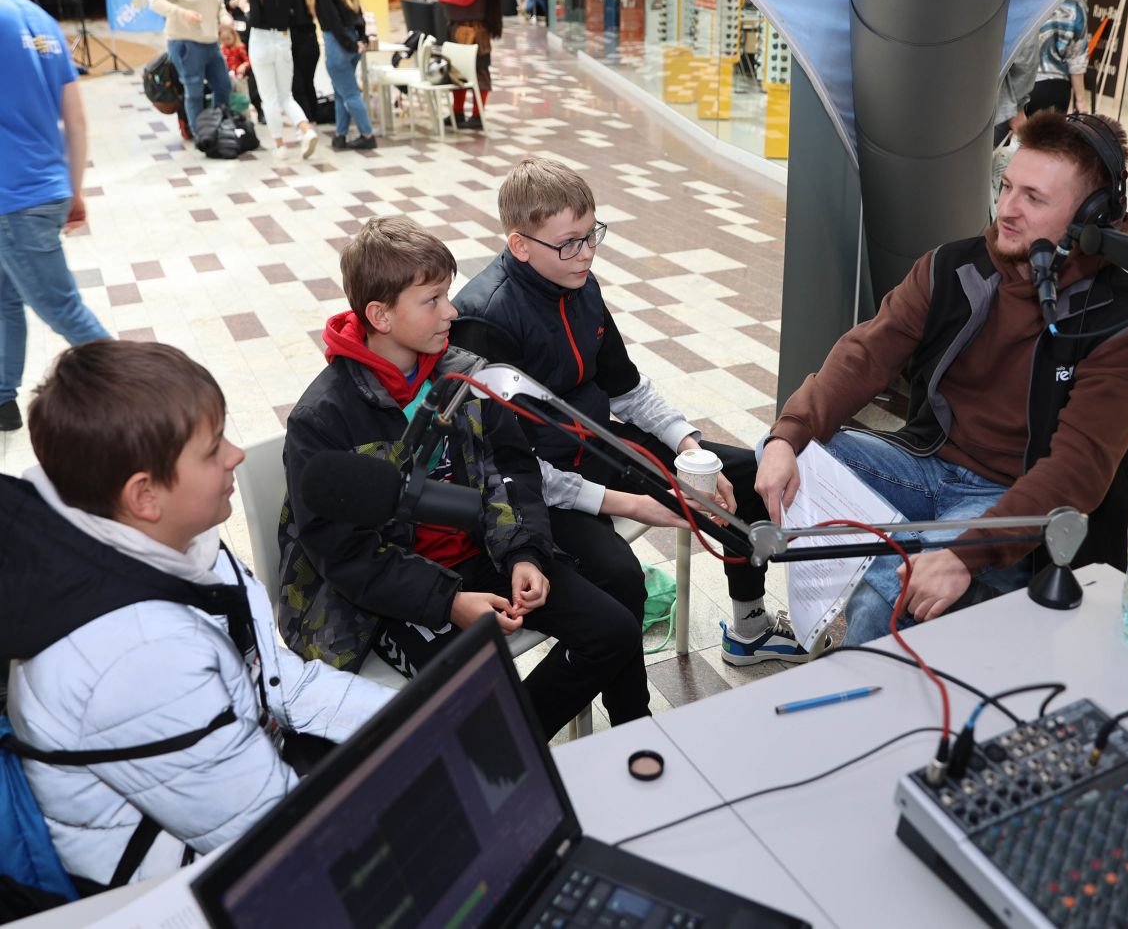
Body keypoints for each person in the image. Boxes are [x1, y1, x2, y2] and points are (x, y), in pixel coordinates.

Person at [754, 112, 1128, 645]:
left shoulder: (1126, 322)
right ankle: (912, 572)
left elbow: (1078, 470)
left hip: (1012, 504)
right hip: (924, 468)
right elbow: (864, 356)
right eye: (1006, 186)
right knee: (784, 456)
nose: (1008, 209)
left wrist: (964, 554)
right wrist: (788, 434)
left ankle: (902, 594)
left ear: (1092, 216)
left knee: (886, 602)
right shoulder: (950, 267)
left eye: (1034, 198)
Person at [2, 340, 396, 888]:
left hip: (244, 778)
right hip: (176, 885)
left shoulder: (167, 541)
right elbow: (275, 843)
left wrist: (413, 715)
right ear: (144, 496)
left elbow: (273, 679)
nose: (236, 455)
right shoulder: (137, 659)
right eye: (212, 450)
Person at [278, 216, 649, 740]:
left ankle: (510, 743)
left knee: (613, 631)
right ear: (380, 315)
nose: (451, 311)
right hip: (393, 594)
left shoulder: (468, 374)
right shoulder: (323, 418)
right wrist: (449, 602)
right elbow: (344, 554)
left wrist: (524, 554)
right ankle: (498, 745)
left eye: (447, 295)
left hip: (483, 557)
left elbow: (514, 471)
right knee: (478, 693)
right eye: (432, 300)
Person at [453, 158, 816, 667]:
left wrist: (691, 450)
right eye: (570, 243)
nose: (587, 253)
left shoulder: (580, 284)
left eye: (592, 235)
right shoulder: (483, 319)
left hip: (595, 446)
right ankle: (625, 703)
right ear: (520, 245)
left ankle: (750, 629)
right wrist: (634, 503)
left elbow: (626, 389)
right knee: (621, 579)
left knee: (747, 474)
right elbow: (505, 467)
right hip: (536, 486)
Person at [0, 0, 109, 433]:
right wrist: (74, 189)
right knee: (5, 299)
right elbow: (76, 119)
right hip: (43, 187)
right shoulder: (40, 19)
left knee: (63, 310)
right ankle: (2, 397)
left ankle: (153, 398)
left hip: (13, 196)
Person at [151, 0, 234, 130]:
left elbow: (219, 6)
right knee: (194, 92)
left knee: (224, 86)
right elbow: (156, 2)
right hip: (186, 43)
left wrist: (224, 17)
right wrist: (182, 13)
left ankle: (219, 126)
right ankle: (200, 134)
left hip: (211, 42)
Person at [244, 0, 317, 158]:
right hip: (283, 40)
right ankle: (306, 130)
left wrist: (245, 8)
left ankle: (280, 146)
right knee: (286, 95)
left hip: (261, 42)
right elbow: (298, 16)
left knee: (269, 98)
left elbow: (255, 20)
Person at [424, 0, 502, 131]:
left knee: (479, 72)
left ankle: (477, 115)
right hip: (457, 27)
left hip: (474, 30)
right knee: (455, 71)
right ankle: (457, 112)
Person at [305, 0, 375, 149]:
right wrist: (360, 40)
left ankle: (367, 135)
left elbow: (333, 22)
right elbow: (358, 13)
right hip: (349, 42)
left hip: (338, 45)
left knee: (350, 93)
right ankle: (340, 134)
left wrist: (350, 44)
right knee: (341, 91)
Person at [1029, 0, 1089, 115]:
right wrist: (1081, 100)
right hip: (1057, 87)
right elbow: (1077, 59)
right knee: (1054, 127)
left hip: (1023, 84)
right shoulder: (1076, 3)